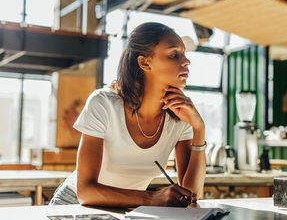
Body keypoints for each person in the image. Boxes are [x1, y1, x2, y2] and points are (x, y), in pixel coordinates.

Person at [49, 22, 206, 207]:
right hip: (73, 204)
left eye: (184, 54)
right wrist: (153, 198)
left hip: (127, 209)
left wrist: (199, 128)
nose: (186, 61)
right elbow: (85, 192)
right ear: (144, 62)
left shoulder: (182, 115)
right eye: (174, 55)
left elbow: (192, 195)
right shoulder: (104, 103)